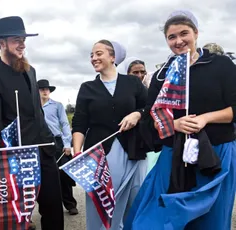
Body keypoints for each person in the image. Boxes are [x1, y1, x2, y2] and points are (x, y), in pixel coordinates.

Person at [125, 10, 236, 230]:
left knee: (211, 219)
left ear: (195, 33)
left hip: (216, 153)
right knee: (157, 216)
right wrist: (173, 124)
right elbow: (150, 116)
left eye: (184, 33)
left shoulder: (221, 65)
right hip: (174, 154)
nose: (178, 41)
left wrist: (205, 118)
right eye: (171, 37)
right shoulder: (162, 75)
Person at [0, 16, 64, 230]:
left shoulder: (30, 71)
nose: (22, 44)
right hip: (15, 155)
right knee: (16, 215)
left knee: (53, 207)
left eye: (24, 39)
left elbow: (37, 112)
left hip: (43, 150)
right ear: (2, 43)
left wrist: (50, 141)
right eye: (17, 39)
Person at [72, 40, 148, 230]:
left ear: (113, 57)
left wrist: (137, 114)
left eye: (98, 54)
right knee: (102, 200)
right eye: (92, 55)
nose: (94, 58)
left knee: (135, 198)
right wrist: (76, 152)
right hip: (100, 154)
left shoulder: (132, 82)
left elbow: (150, 106)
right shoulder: (87, 88)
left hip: (133, 149)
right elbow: (80, 122)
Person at [38, 79, 78, 215]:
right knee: (42, 175)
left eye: (47, 89)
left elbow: (65, 124)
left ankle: (70, 203)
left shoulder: (57, 105)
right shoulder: (33, 106)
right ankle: (47, 206)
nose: (45, 91)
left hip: (56, 141)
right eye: (42, 88)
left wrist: (67, 144)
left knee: (64, 173)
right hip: (39, 142)